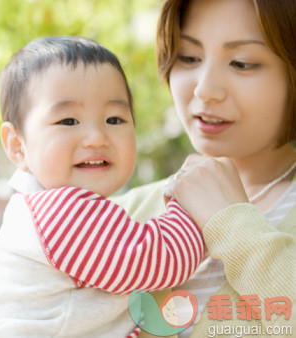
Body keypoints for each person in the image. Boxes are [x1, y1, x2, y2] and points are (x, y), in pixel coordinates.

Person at [0, 36, 214, 337]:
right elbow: (162, 260)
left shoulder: (39, 208)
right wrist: (192, 203)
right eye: (68, 121)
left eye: (114, 119)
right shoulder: (59, 213)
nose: (97, 137)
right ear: (17, 146)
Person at [113, 0, 296, 336]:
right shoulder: (121, 215)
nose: (204, 89)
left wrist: (233, 225)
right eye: (189, 57)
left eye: (242, 63)